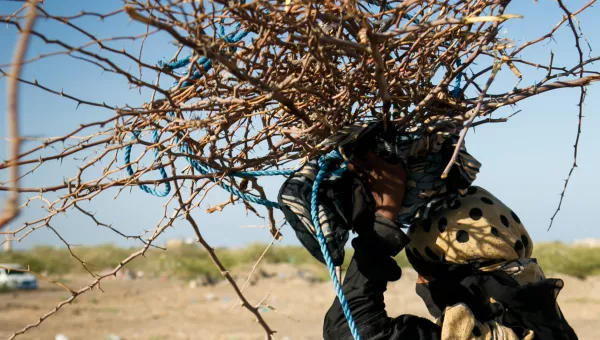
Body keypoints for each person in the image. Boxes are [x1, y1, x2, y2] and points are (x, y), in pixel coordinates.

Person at [278, 122, 577, 340]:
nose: (422, 280)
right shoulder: (539, 329)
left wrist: (384, 218)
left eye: (425, 265)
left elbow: (349, 331)